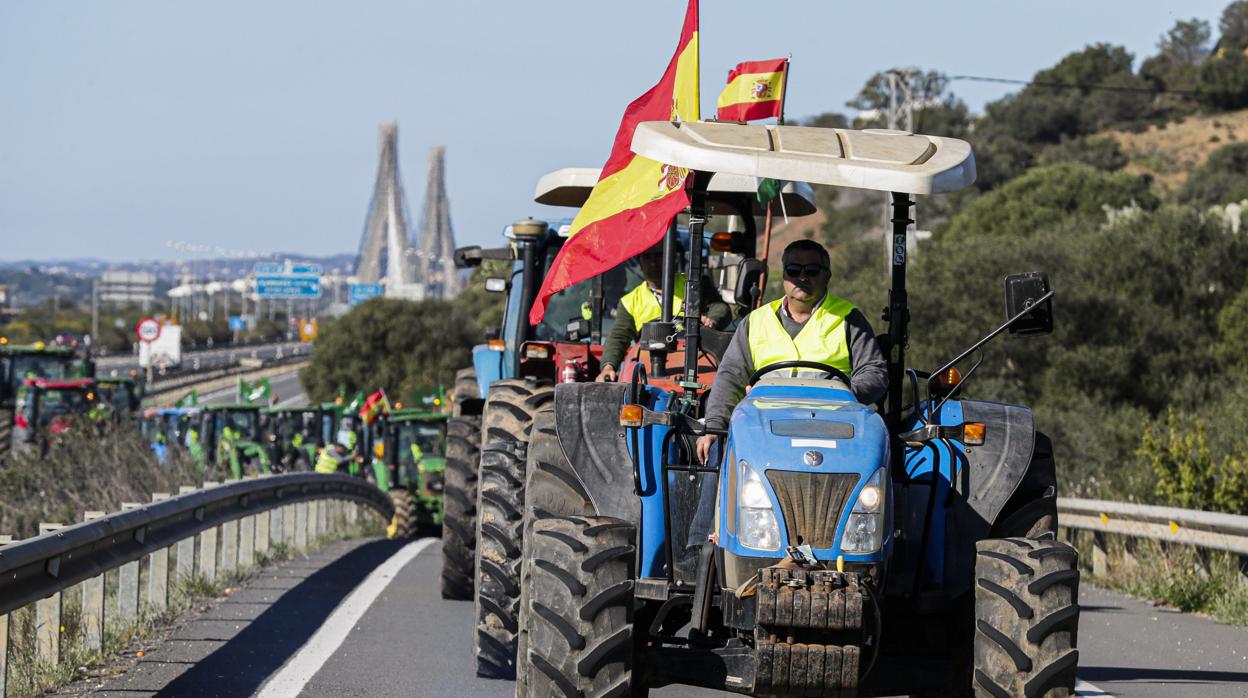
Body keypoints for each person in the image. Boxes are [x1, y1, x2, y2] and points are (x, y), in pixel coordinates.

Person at [695, 239, 889, 464]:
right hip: (764, 428)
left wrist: (840, 394)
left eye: (812, 270)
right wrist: (714, 426)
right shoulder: (756, 320)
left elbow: (874, 371)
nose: (803, 277)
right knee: (716, 454)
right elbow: (731, 376)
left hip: (833, 427)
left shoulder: (849, 319)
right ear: (785, 276)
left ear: (827, 275)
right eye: (794, 270)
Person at [597, 241, 733, 381]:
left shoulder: (694, 285)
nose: (653, 263)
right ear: (640, 263)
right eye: (647, 257)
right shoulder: (630, 302)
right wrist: (608, 366)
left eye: (659, 256)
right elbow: (618, 337)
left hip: (695, 360)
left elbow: (720, 308)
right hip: (649, 370)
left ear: (670, 257)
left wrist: (711, 319)